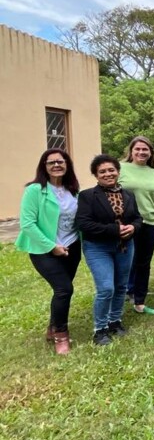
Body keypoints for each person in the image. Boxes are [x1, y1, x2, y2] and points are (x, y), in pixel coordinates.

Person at [15, 148, 82, 355]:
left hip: (71, 246)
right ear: (44, 167)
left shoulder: (73, 190)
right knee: (64, 289)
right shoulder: (35, 190)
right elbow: (27, 223)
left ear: (67, 165)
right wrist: (52, 246)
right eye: (51, 162)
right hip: (43, 249)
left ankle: (52, 328)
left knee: (62, 289)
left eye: (60, 161)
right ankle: (61, 335)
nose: (56, 165)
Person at [77, 154, 143, 346]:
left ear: (118, 171)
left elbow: (137, 218)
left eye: (111, 170)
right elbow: (83, 224)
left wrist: (133, 227)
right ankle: (100, 329)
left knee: (121, 286)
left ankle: (115, 321)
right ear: (96, 175)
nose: (108, 174)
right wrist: (115, 229)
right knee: (106, 288)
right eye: (102, 171)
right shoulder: (87, 196)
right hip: (98, 247)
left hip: (124, 246)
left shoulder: (128, 194)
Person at [118, 136, 154, 315]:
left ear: (150, 153)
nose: (141, 152)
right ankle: (121, 295)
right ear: (131, 151)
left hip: (150, 222)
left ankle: (139, 301)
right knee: (124, 261)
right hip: (126, 223)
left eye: (145, 149)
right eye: (137, 149)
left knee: (143, 263)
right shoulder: (120, 168)